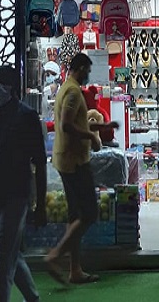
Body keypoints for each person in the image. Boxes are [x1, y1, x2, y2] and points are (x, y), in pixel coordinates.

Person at [0, 65, 48, 302]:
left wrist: (41, 205)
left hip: (18, 194)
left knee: (3, 259)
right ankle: (32, 298)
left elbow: (40, 163)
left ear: (12, 87)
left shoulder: (27, 117)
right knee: (10, 252)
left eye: (2, 83)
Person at [44, 52, 118, 286]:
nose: (88, 74)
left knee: (75, 215)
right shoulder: (74, 92)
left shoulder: (66, 88)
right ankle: (56, 255)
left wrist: (103, 126)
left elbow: (76, 121)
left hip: (66, 159)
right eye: (87, 70)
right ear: (80, 69)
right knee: (89, 213)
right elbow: (66, 125)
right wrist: (91, 137)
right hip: (74, 160)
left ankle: (74, 270)